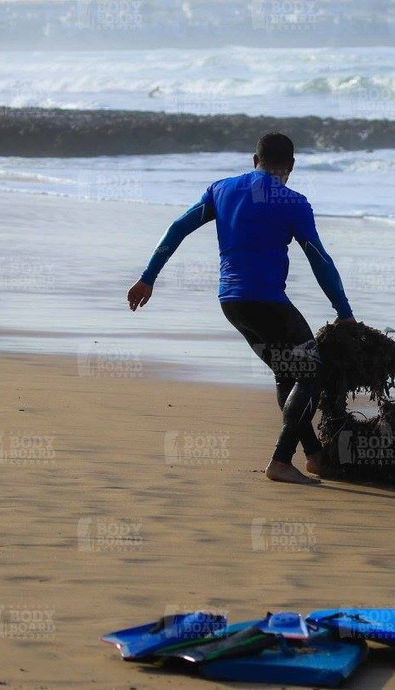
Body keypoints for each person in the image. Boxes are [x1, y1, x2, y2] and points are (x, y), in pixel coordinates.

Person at [127, 132, 355, 485]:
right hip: (267, 302)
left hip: (231, 303)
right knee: (312, 372)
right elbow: (319, 259)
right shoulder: (293, 202)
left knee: (287, 372)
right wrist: (344, 311)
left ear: (254, 160)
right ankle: (281, 460)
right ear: (291, 166)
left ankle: (314, 457)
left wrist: (147, 278)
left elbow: (177, 228)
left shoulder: (221, 190)